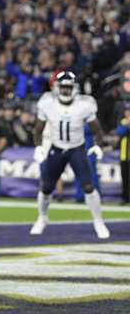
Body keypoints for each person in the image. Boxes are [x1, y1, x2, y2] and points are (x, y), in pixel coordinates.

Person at [30, 71, 109, 238]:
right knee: (46, 187)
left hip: (76, 148)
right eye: (63, 87)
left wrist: (98, 145)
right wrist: (38, 147)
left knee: (88, 186)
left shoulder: (84, 104)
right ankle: (42, 217)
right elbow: (37, 130)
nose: (65, 91)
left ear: (74, 88)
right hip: (56, 148)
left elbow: (98, 131)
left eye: (68, 87)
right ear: (57, 88)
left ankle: (98, 221)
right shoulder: (47, 103)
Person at [116, 104, 130, 205]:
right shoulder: (122, 122)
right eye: (127, 111)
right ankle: (125, 198)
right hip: (124, 155)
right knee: (124, 177)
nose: (128, 113)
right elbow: (121, 132)